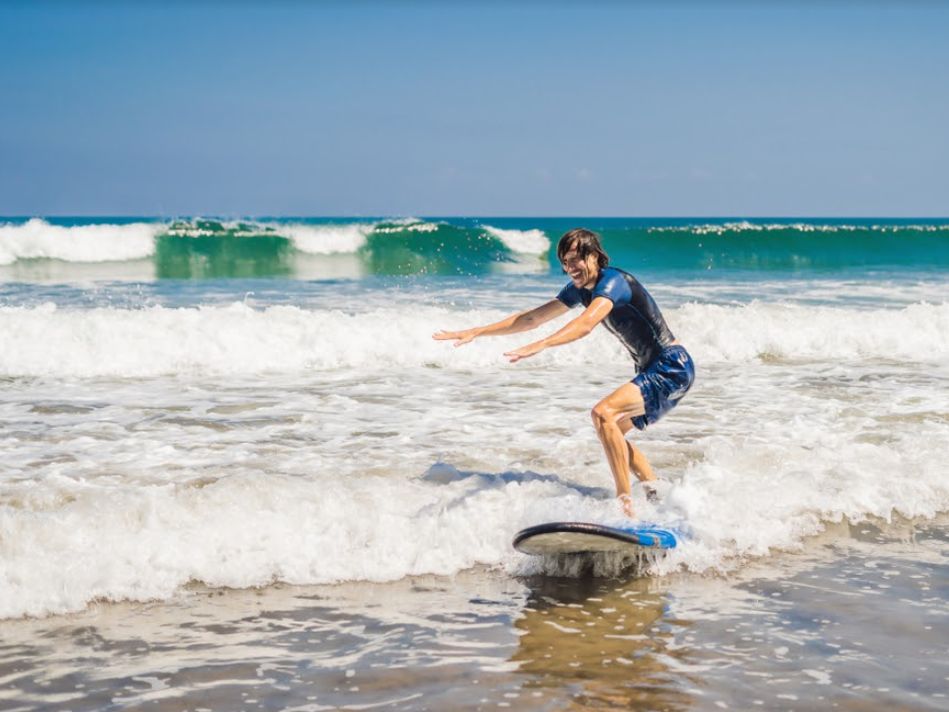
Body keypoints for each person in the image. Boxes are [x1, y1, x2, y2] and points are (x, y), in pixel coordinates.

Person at [432, 228, 695, 517]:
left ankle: (625, 506)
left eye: (575, 260)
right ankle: (657, 494)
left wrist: (543, 344)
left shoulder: (613, 283)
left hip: (671, 366)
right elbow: (531, 318)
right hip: (654, 369)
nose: (570, 269)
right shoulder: (579, 290)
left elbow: (585, 324)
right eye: (565, 263)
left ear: (593, 256)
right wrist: (476, 331)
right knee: (612, 434)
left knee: (602, 414)